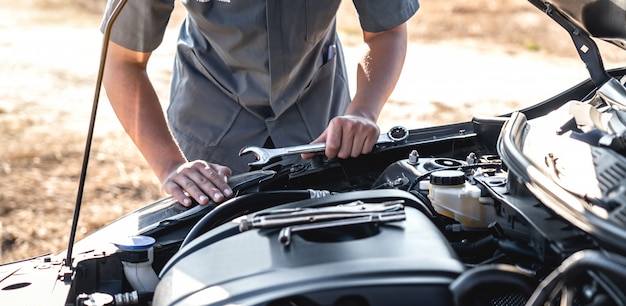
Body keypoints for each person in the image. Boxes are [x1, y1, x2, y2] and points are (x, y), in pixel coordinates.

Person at [101, 0, 419, 207]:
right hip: (210, 134)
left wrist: (363, 110)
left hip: (318, 127)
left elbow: (386, 32)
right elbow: (123, 62)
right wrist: (170, 165)